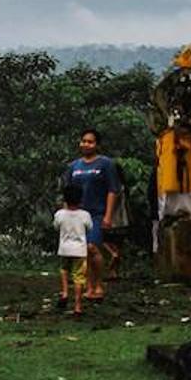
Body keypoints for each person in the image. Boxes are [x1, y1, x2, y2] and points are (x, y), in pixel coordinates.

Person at [63, 128, 120, 301]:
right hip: (77, 214)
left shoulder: (106, 164)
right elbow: (67, 191)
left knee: (92, 247)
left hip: (97, 213)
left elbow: (113, 190)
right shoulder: (73, 167)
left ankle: (98, 285)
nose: (86, 144)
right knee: (82, 252)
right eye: (84, 141)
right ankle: (88, 287)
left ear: (97, 145)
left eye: (90, 141)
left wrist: (108, 216)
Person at [54, 184, 90, 317]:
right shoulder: (85, 215)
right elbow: (89, 227)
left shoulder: (60, 214)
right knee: (78, 277)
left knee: (64, 269)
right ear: (81, 199)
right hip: (80, 251)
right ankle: (78, 306)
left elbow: (56, 226)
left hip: (64, 249)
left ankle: (64, 292)